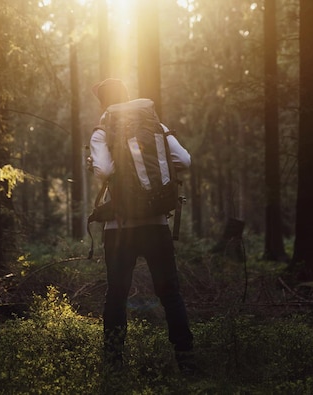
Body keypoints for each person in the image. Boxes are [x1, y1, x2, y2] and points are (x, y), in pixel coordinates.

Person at [88, 78, 196, 375]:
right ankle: (185, 356)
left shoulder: (101, 132)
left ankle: (113, 361)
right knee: (170, 291)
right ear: (127, 97)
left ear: (103, 103)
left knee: (117, 293)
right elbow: (185, 160)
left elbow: (105, 170)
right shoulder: (154, 127)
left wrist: (98, 163)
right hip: (156, 224)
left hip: (119, 228)